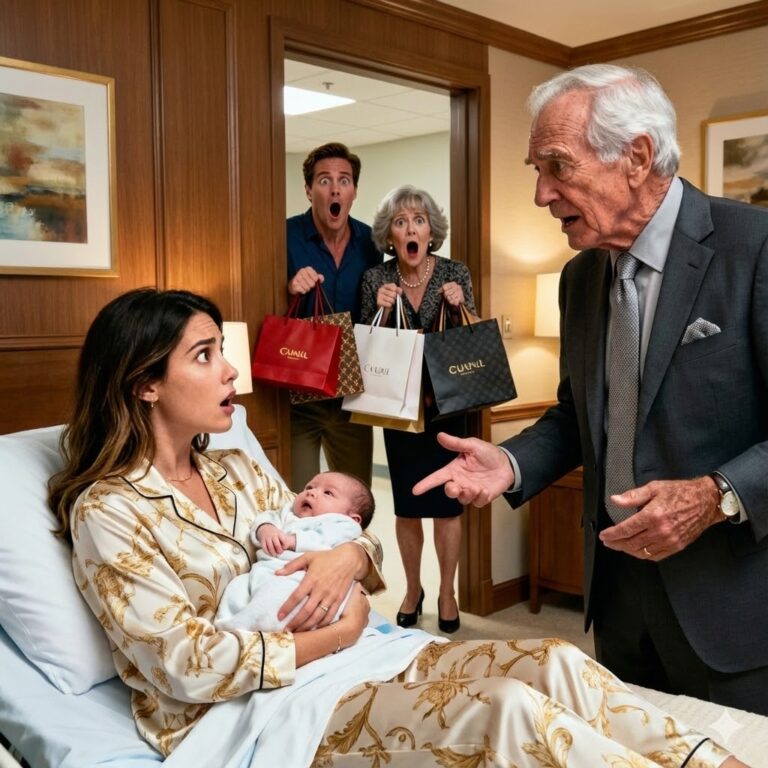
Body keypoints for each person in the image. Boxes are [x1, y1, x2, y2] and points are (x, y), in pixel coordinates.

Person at [47, 287, 748, 767]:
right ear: (144, 383)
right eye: (204, 356)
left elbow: (345, 530)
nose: (231, 369)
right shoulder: (109, 512)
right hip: (251, 711)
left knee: (553, 660)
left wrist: (351, 560)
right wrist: (337, 633)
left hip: (352, 662)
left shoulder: (236, 470)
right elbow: (182, 664)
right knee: (503, 710)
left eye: (220, 350)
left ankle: (710, 760)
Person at [414, 64, 768, 716]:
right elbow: (579, 415)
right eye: (536, 171)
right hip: (618, 593)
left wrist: (716, 495)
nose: (541, 194)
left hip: (732, 606)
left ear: (637, 157)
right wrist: (510, 462)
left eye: (557, 167)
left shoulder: (755, 249)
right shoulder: (579, 279)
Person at [360, 184, 477, 634]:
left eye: (419, 220)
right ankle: (413, 589)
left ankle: (447, 591)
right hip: (400, 407)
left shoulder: (454, 272)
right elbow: (365, 343)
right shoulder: (376, 278)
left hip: (447, 406)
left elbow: (471, 335)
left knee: (448, 504)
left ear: (431, 231)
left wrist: (460, 303)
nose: (411, 229)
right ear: (390, 236)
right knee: (408, 506)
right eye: (401, 222)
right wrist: (378, 308)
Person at [287, 142, 382, 489]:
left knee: (355, 493)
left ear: (354, 191)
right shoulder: (284, 235)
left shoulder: (371, 243)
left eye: (344, 180)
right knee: (299, 496)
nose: (335, 189)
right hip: (300, 392)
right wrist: (289, 286)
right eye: (324, 180)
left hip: (352, 393)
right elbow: (258, 302)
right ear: (309, 189)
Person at [215, 470, 375, 632]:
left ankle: (255, 627)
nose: (311, 492)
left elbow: (325, 538)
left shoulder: (343, 524)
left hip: (303, 575)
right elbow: (267, 517)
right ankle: (228, 625)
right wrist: (266, 529)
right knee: (236, 588)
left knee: (280, 596)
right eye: (309, 487)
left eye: (328, 493)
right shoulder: (288, 512)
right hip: (264, 570)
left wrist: (295, 540)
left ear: (353, 518)